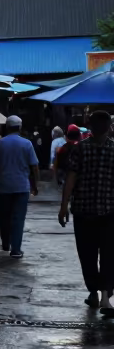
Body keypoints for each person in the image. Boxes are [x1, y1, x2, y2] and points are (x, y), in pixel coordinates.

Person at [59, 111, 114, 311]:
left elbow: (71, 178)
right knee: (108, 255)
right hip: (108, 212)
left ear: (89, 127)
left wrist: (64, 206)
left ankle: (94, 293)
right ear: (109, 127)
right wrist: (64, 206)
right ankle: (104, 296)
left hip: (84, 211)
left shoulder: (80, 148)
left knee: (88, 254)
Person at [0, 114, 40, 258]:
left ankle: (5, 243)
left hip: (3, 186)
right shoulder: (27, 144)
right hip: (22, 186)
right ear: (20, 127)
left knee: (4, 216)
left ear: (7, 127)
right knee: (18, 218)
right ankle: (16, 249)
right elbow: (34, 166)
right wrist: (36, 184)